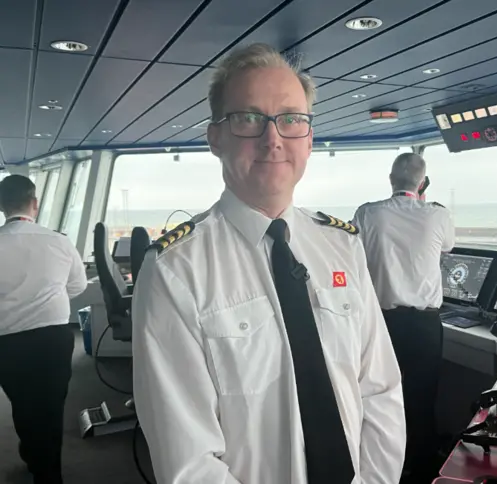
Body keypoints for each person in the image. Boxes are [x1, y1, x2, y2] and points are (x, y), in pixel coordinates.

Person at [132, 43, 405, 484]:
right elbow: (188, 460)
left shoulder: (343, 246)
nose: (272, 138)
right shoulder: (174, 271)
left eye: (291, 119)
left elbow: (380, 391)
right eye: (249, 118)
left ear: (310, 138)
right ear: (214, 138)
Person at [352, 153, 455, 483]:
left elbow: (356, 254)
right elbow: (447, 247)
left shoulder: (368, 213)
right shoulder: (437, 215)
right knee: (423, 398)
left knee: (379, 397)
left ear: (390, 179)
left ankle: (381, 468)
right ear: (422, 183)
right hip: (425, 324)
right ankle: (423, 469)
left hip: (382, 322)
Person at [0, 174, 88, 484]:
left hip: (7, 342)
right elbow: (77, 286)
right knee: (51, 408)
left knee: (22, 403)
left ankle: (33, 455)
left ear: (1, 206)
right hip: (53, 339)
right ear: (35, 203)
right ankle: (48, 473)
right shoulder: (58, 240)